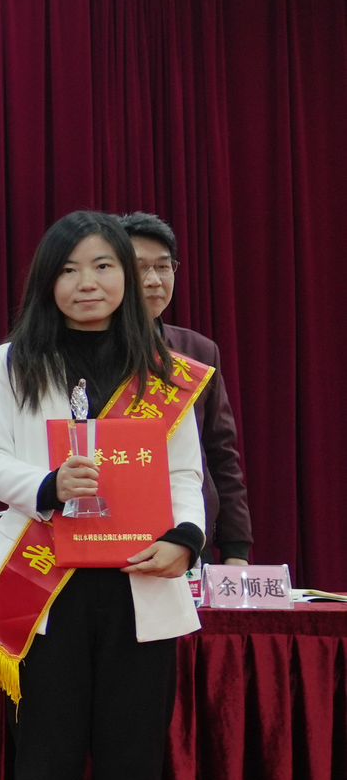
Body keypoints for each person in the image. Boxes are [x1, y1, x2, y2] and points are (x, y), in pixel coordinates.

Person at [0, 210, 205, 780]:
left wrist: (187, 537)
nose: (87, 283)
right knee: (51, 757)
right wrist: (46, 485)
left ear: (128, 277)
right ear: (48, 280)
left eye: (103, 267)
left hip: (140, 584)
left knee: (133, 762)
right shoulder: (11, 362)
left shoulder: (162, 369)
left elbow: (185, 476)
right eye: (69, 269)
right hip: (46, 589)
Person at [120, 212, 251, 563]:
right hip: (109, 532)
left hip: (186, 538)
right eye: (139, 268)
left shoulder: (197, 352)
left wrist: (236, 550)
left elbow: (221, 454)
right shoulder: (83, 351)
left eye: (164, 267)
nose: (154, 280)